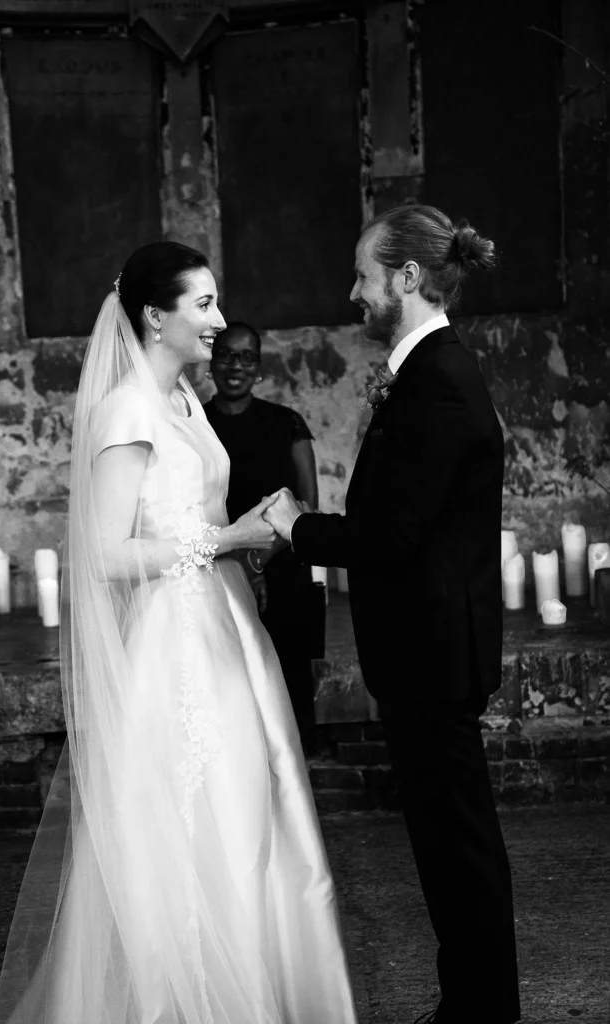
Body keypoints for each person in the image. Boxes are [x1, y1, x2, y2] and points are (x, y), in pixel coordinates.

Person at [0, 242, 359, 1024]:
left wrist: (245, 536)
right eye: (203, 305)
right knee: (197, 818)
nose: (218, 321)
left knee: (251, 814)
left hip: (226, 624)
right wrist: (227, 542)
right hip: (176, 644)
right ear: (155, 317)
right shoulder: (124, 410)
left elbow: (193, 513)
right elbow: (105, 555)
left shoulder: (185, 402)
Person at [265, 205, 521, 1024]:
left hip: (434, 655)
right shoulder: (427, 372)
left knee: (458, 848)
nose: (353, 292)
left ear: (406, 278)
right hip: (429, 650)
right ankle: (475, 1002)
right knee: (451, 844)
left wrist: (293, 527)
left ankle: (480, 1010)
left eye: (363, 276)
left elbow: (390, 533)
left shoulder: (438, 381)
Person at [203, 322, 319, 753]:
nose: (236, 365)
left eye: (247, 356)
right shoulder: (194, 427)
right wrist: (234, 562)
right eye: (226, 355)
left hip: (282, 569)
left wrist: (257, 563)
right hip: (217, 572)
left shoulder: (287, 424)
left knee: (287, 677)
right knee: (229, 683)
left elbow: (307, 505)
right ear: (211, 363)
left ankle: (294, 784)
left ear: (260, 368)